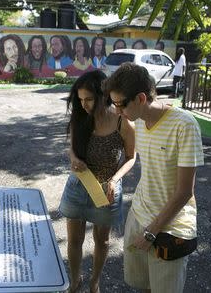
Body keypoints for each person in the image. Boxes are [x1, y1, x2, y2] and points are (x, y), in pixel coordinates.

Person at [103, 63, 204, 293]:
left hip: (170, 227)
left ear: (140, 98)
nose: (117, 111)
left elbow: (185, 191)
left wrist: (152, 231)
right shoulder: (138, 120)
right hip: (139, 214)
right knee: (143, 285)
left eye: (120, 104)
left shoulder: (184, 125)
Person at [59, 70, 136, 293]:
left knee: (102, 241)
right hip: (77, 186)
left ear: (103, 96)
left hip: (107, 191)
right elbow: (72, 150)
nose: (83, 105)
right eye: (80, 99)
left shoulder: (122, 122)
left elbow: (131, 158)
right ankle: (75, 281)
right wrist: (74, 160)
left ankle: (95, 281)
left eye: (89, 99)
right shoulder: (80, 117)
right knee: (74, 240)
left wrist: (115, 179)